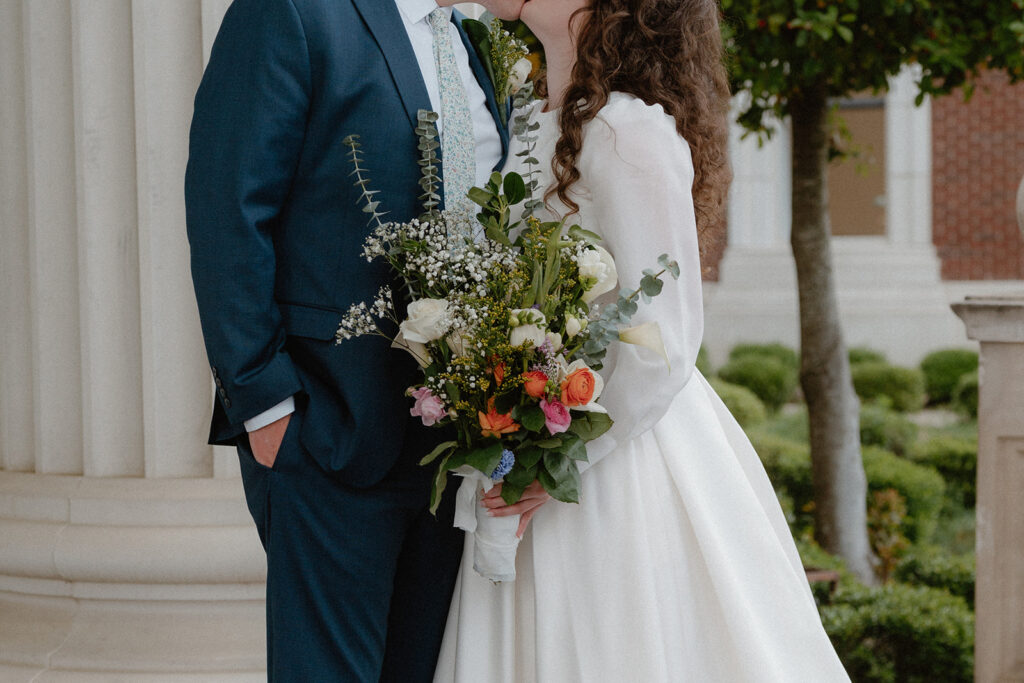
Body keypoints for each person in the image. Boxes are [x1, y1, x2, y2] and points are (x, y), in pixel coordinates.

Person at [434, 0, 852, 680]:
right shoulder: (530, 120)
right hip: (523, 442)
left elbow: (665, 338)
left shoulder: (627, 132)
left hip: (610, 460)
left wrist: (554, 457)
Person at [184, 0, 524, 680]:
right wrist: (267, 403)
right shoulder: (291, 13)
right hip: (328, 433)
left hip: (453, 449)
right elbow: (228, 206)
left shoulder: (479, 42)